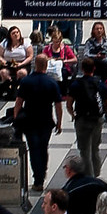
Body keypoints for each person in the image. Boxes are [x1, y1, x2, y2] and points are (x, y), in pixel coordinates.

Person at [11, 54, 64, 191]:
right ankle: (42, 172)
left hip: (29, 121)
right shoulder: (52, 82)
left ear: (35, 64)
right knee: (43, 148)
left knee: (33, 149)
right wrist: (59, 122)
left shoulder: (26, 81)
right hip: (46, 121)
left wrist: (16, 119)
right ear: (46, 65)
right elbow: (58, 105)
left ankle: (38, 178)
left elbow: (19, 102)